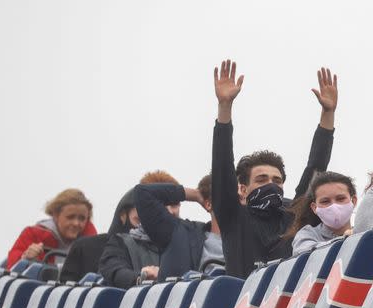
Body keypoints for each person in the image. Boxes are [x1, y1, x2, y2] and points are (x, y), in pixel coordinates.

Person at [211, 60, 337, 278]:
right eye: (261, 179)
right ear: (242, 188)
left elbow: (316, 168)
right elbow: (222, 165)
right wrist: (224, 107)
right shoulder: (233, 215)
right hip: (244, 306)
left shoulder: (292, 215)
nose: (271, 185)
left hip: (288, 307)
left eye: (277, 181)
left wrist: (328, 114)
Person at [131, 173, 223, 281]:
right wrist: (197, 195)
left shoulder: (245, 240)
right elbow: (143, 194)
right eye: (229, 192)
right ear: (208, 204)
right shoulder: (180, 233)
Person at [98, 171, 183, 287]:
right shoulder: (121, 243)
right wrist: (141, 276)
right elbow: (114, 271)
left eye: (174, 205)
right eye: (163, 204)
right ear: (145, 206)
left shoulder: (190, 242)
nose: (170, 211)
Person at [6, 188, 96, 269]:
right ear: (56, 215)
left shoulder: (91, 242)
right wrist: (25, 258)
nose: (76, 223)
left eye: (82, 218)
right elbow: (11, 266)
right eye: (70, 217)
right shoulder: (33, 235)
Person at [285, 171, 357, 255]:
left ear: (353, 201)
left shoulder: (362, 233)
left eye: (340, 199)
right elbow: (304, 253)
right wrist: (345, 240)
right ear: (314, 208)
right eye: (325, 201)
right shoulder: (307, 234)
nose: (334, 206)